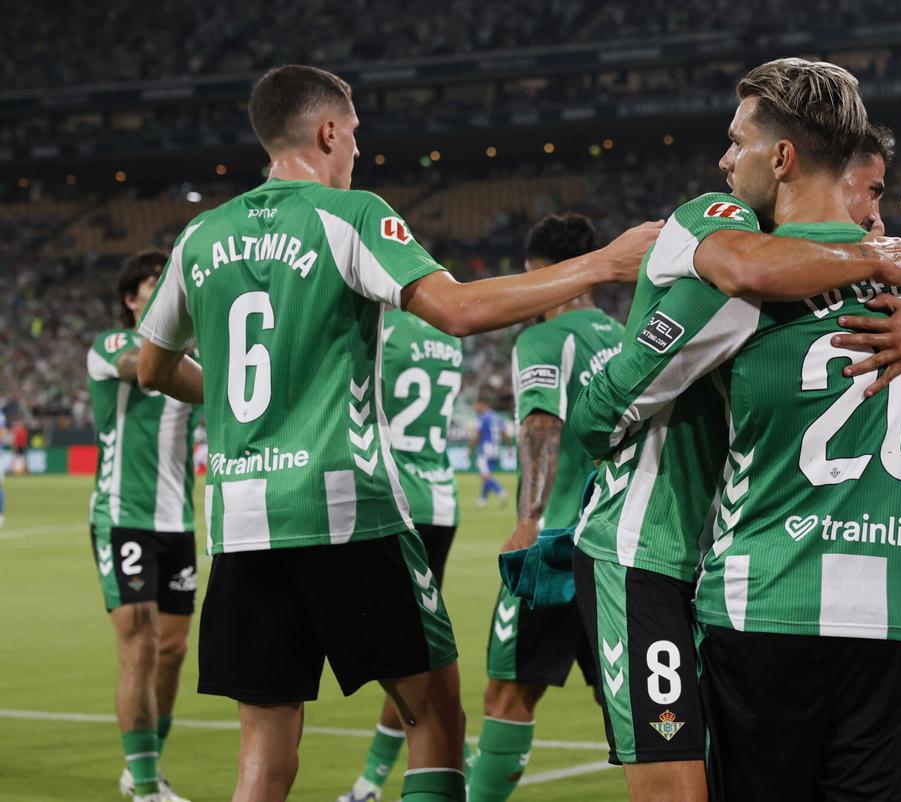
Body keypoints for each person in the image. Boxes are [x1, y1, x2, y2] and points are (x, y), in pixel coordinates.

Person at [135, 64, 658, 802]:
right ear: (326, 132)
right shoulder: (347, 216)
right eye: (353, 135)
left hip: (242, 522)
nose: (357, 152)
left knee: (263, 753)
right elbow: (458, 310)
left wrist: (226, 402)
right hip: (344, 512)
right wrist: (603, 263)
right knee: (435, 715)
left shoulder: (199, 236)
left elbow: (153, 365)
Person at [570, 59, 901, 801]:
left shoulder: (739, 281)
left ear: (782, 157)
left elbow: (599, 416)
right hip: (894, 620)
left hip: (764, 607)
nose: (727, 160)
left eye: (738, 141)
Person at [468, 212, 623, 802]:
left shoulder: (541, 336)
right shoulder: (623, 335)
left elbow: (540, 424)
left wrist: (529, 518)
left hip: (553, 547)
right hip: (615, 546)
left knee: (508, 695)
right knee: (635, 709)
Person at [86, 249, 200, 802]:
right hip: (122, 514)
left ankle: (142, 766)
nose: (164, 293)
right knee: (139, 643)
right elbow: (143, 371)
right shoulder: (112, 345)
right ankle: (150, 787)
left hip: (177, 520)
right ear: (132, 299)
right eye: (155, 285)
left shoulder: (200, 359)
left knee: (173, 651)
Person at [338, 307, 464, 802]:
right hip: (441, 499)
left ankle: (384, 777)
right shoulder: (448, 338)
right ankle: (380, 777)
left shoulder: (380, 325)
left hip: (394, 500)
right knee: (417, 650)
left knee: (394, 654)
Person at [472, 399, 507, 506]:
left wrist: (470, 449)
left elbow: (478, 435)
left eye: (476, 405)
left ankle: (500, 491)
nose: (475, 408)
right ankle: (484, 499)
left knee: (484, 475)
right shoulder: (499, 417)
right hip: (495, 448)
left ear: (482, 404)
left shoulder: (483, 418)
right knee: (488, 475)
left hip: (486, 448)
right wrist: (509, 447)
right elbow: (505, 434)